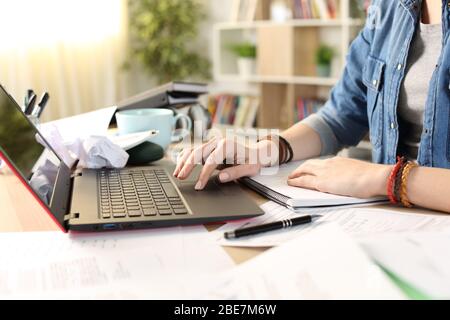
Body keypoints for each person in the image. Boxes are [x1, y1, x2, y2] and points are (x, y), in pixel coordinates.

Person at [174, 0, 450, 214]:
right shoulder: (387, 8)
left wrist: (386, 179)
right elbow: (339, 117)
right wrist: (265, 150)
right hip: (392, 217)